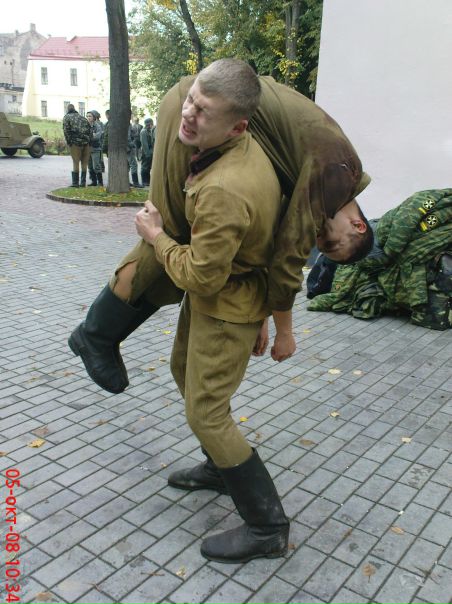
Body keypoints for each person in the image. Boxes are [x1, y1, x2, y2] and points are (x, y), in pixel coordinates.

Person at [69, 66, 373, 394]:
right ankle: (96, 334)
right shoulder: (336, 175)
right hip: (200, 117)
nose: (319, 238)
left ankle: (101, 333)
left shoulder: (330, 173)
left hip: (212, 118)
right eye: (331, 243)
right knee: (165, 232)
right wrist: (285, 332)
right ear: (357, 226)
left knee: (181, 241)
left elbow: (268, 239)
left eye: (322, 246)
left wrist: (260, 315)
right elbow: (288, 257)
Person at [135, 58, 289, 563]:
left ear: (238, 126)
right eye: (191, 100)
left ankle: (267, 527)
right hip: (220, 303)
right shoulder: (237, 148)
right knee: (183, 370)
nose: (188, 114)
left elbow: (203, 276)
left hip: (225, 309)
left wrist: (157, 238)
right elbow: (254, 244)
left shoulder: (224, 186)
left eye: (204, 112)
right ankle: (219, 469)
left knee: (207, 412)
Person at [62, 103, 91, 187]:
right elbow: (90, 130)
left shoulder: (67, 117)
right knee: (84, 163)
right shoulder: (83, 118)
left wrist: (69, 142)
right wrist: (88, 141)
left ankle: (75, 183)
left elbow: (66, 131)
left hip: (75, 143)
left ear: (67, 109)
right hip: (86, 143)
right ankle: (83, 183)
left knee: (76, 162)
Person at [86, 110, 103, 186]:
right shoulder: (85, 125)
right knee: (90, 166)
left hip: (95, 149)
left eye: (90, 116)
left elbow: (97, 137)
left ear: (94, 117)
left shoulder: (97, 126)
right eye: (87, 116)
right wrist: (91, 135)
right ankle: (94, 182)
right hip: (87, 149)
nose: (88, 117)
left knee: (96, 166)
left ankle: (100, 182)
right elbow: (82, 136)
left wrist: (90, 136)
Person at [127, 118, 143, 188]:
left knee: (127, 165)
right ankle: (135, 182)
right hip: (128, 148)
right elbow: (128, 137)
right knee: (133, 165)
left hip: (125, 148)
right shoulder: (127, 124)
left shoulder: (126, 124)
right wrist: (132, 144)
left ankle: (126, 181)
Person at [139, 118, 155, 186]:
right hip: (145, 152)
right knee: (144, 167)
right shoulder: (143, 131)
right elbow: (144, 144)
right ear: (148, 124)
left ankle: (148, 181)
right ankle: (144, 181)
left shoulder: (148, 131)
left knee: (148, 167)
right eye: (151, 123)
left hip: (149, 152)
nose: (151, 125)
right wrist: (147, 154)